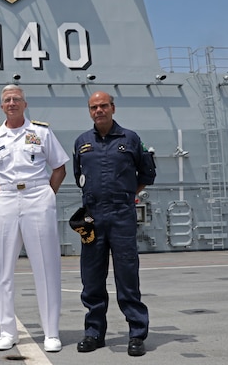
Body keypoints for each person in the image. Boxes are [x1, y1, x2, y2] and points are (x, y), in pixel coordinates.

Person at [0, 85, 69, 353]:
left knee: (46, 267)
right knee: (4, 269)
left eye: (16, 99)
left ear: (25, 103)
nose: (12, 103)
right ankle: (7, 331)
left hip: (38, 197)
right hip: (7, 199)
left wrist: (45, 195)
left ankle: (51, 332)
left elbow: (59, 167)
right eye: (7, 100)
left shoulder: (41, 132)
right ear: (2, 106)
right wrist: (10, 193)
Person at [72, 91, 156, 357]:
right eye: (94, 107)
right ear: (89, 111)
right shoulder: (82, 142)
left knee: (127, 276)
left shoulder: (130, 139)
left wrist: (128, 194)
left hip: (121, 215)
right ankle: (94, 332)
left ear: (113, 108)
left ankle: (136, 334)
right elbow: (79, 176)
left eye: (104, 106)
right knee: (92, 277)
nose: (99, 110)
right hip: (93, 217)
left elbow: (147, 174)